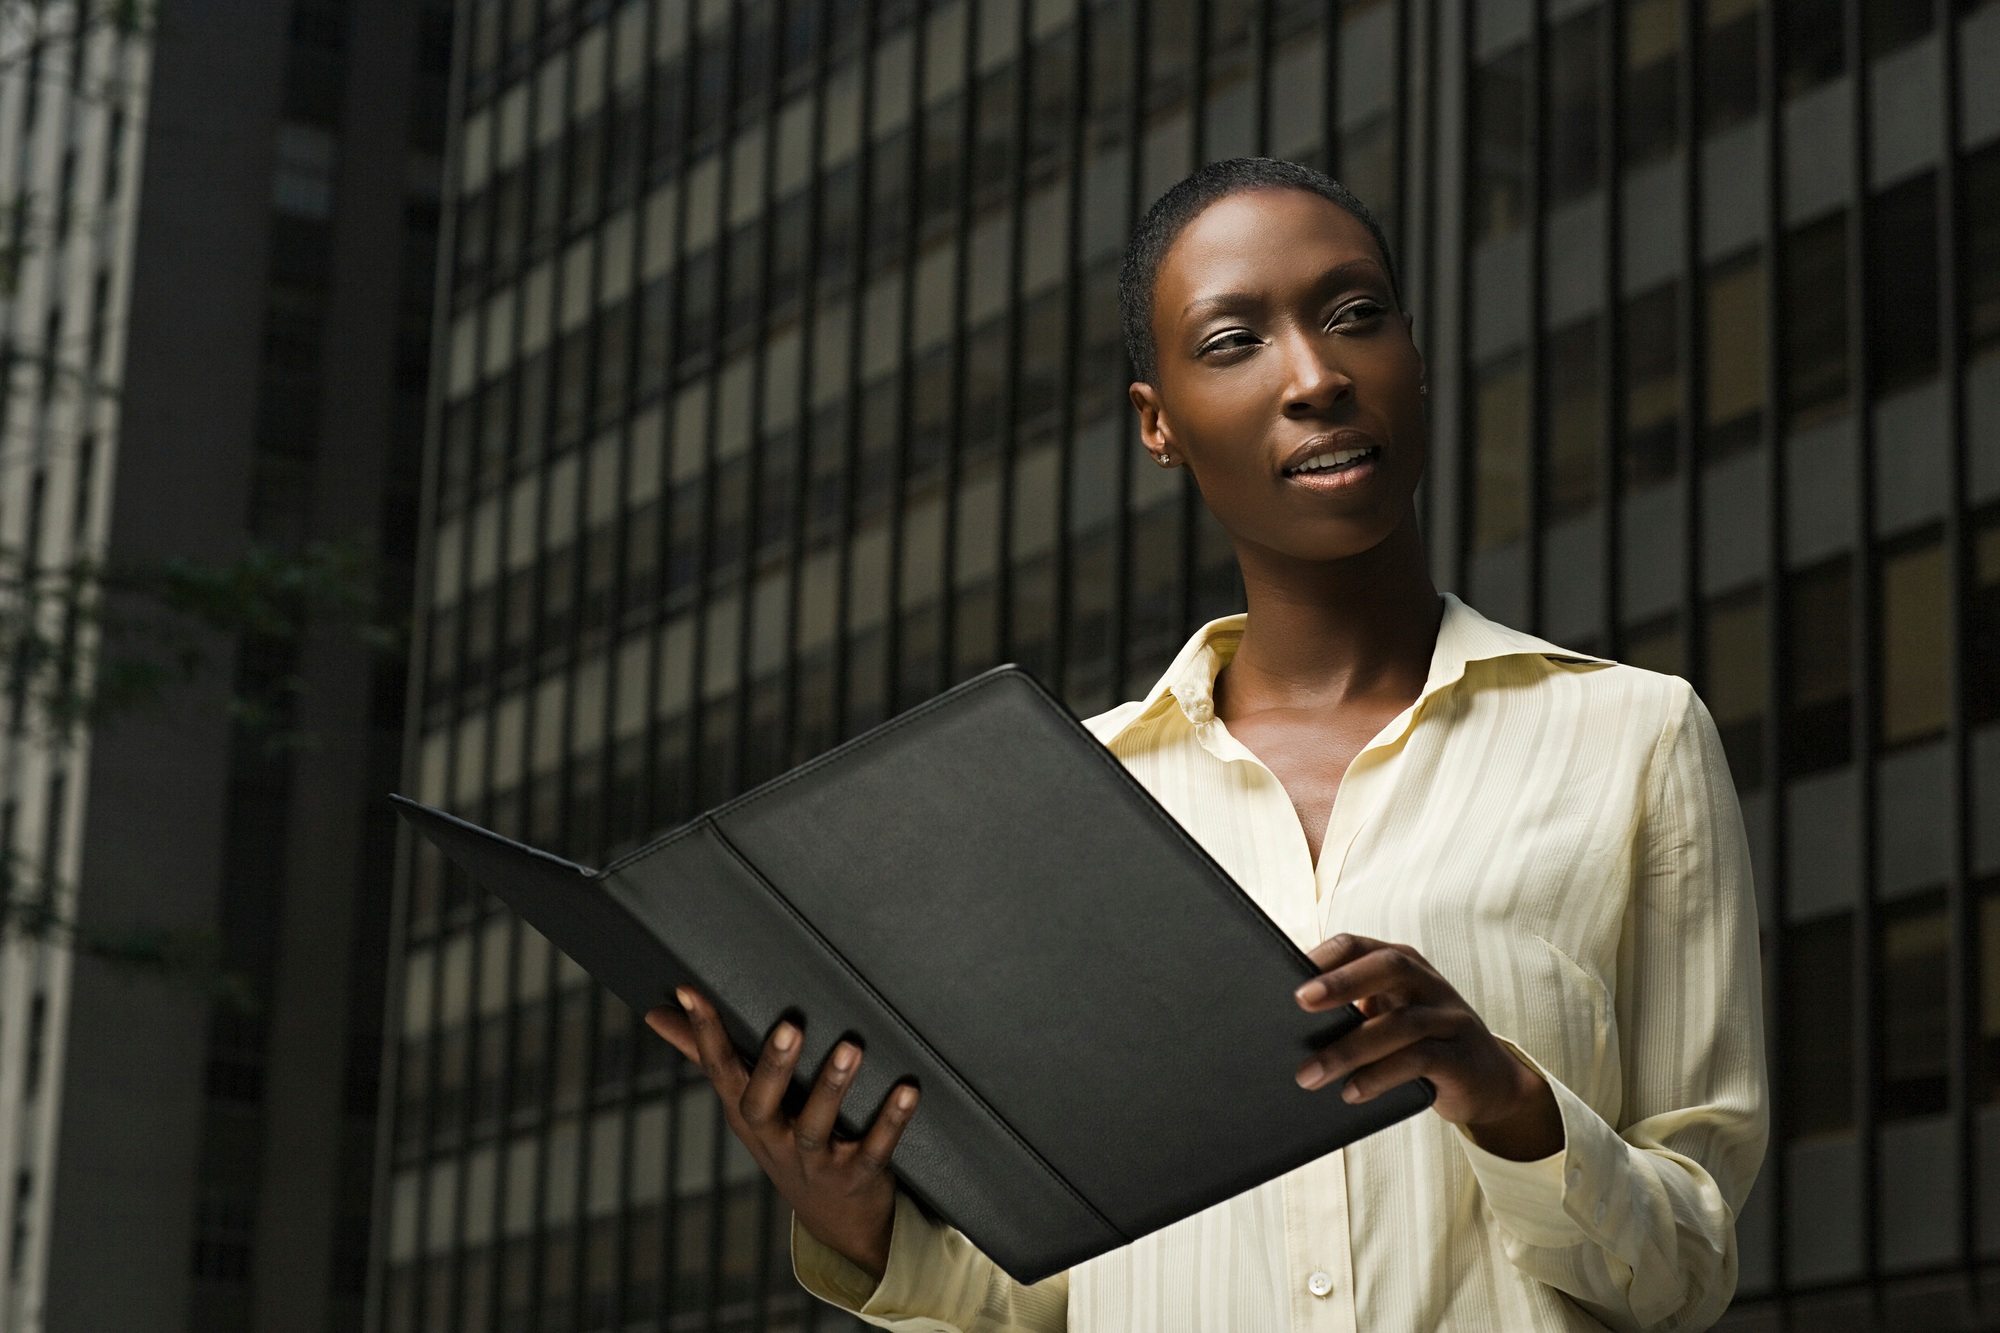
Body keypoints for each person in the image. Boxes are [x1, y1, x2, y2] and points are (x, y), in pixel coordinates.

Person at [645, 157, 1768, 1332]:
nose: (1315, 377)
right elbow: (1037, 1296)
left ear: (1414, 358)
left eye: (1352, 317)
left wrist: (1505, 1098)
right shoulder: (1063, 793)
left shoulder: (1631, 737)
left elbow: (1686, 1264)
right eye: (1233, 341)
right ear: (1157, 424)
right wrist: (852, 1211)